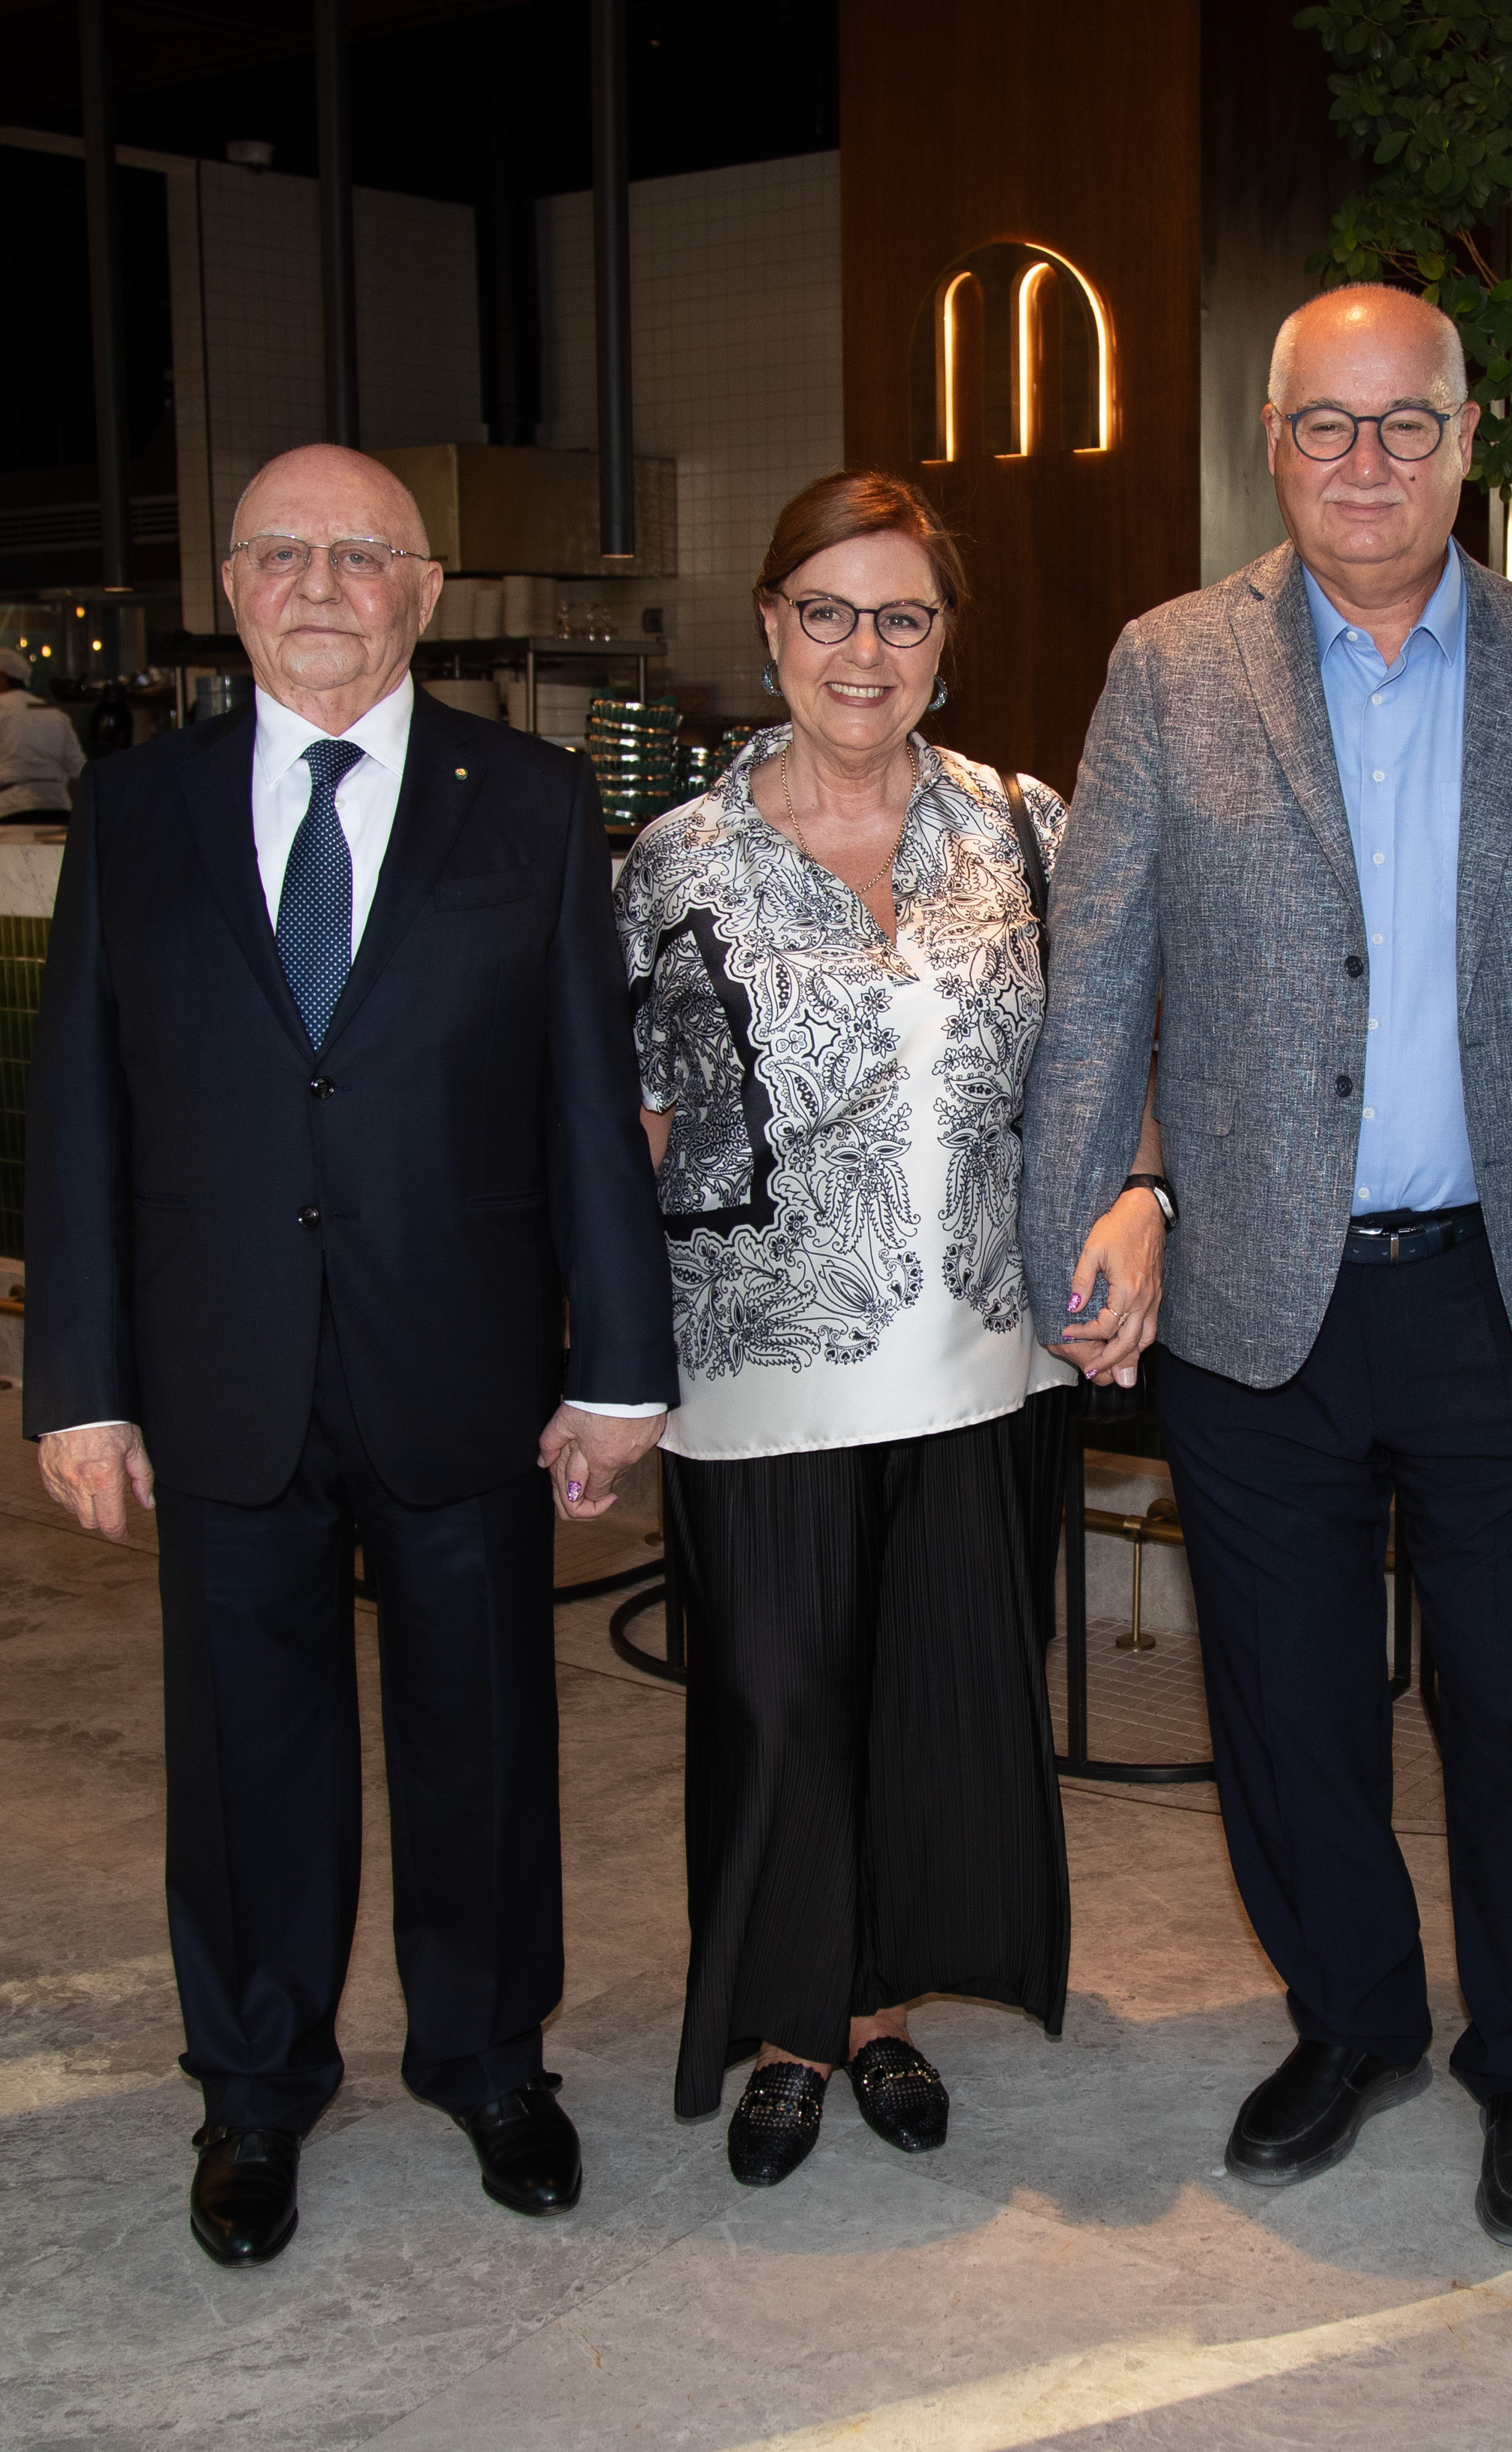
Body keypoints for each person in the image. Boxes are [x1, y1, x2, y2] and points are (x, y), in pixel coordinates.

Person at [1022, 284, 1512, 2252]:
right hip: (1253, 1293)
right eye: (1327, 423)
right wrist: (1084, 1225)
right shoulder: (1169, 666)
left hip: (1504, 1291)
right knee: (1286, 1698)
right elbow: (1099, 975)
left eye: (1407, 424)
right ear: (1272, 441)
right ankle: (1353, 2019)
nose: (1366, 462)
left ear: (1468, 440)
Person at [21, 443, 675, 2269]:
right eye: (282, 552)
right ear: (229, 586)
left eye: (361, 553)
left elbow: (584, 1102)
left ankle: (489, 2058)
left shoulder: (529, 800)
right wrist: (79, 1382)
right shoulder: (132, 808)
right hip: (217, 1367)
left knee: (484, 1736)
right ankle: (252, 2087)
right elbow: (77, 1107)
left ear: (425, 590)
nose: (320, 584)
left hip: (461, 1364)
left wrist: (618, 1367)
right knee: (246, 1754)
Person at [618, 471, 1114, 2187]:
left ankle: (879, 2007)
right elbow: (632, 1128)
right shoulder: (675, 858)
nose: (861, 649)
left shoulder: (1023, 829)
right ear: (770, 623)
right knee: (778, 1705)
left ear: (944, 641)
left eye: (901, 617)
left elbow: (1101, 1057)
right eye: (826, 610)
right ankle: (786, 2026)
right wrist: (594, 1364)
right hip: (751, 1368)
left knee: (933, 1703)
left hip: (984, 1361)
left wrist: (1135, 1204)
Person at [0, 645, 90, 820]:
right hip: (59, 809)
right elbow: (79, 773)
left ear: (1, 677)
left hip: (12, 809)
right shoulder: (55, 713)